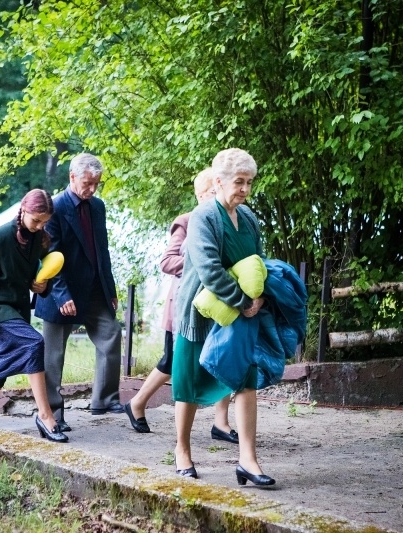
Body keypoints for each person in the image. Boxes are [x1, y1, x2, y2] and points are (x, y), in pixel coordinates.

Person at [172, 148, 275, 486]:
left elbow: (258, 261)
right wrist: (243, 300)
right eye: (239, 182)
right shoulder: (204, 216)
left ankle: (248, 460)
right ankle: (182, 450)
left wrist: (258, 297)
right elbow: (209, 270)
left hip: (241, 312)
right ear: (218, 182)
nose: (245, 189)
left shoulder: (248, 217)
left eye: (249, 182)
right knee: (187, 383)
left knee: (245, 380)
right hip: (199, 313)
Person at [125, 169, 237, 444]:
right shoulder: (186, 222)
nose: (218, 196)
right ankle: (137, 402)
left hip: (218, 303)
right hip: (185, 307)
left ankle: (221, 423)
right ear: (201, 195)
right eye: (213, 192)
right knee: (171, 362)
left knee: (224, 357)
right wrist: (199, 262)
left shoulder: (230, 220)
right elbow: (167, 261)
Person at [0, 189, 68, 443]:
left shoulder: (38, 238)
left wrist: (42, 287)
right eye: (36, 220)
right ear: (23, 209)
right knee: (36, 343)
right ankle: (45, 415)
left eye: (44, 222)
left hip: (20, 310)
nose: (39, 226)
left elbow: (42, 272)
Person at [35, 153, 123, 431]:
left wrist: (110, 289)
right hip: (61, 291)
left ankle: (105, 399)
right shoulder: (56, 207)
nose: (93, 189)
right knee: (53, 355)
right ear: (72, 177)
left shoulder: (97, 206)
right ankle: (53, 415)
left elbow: (102, 251)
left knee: (111, 333)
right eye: (88, 183)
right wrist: (62, 296)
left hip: (95, 288)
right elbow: (51, 255)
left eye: (97, 183)